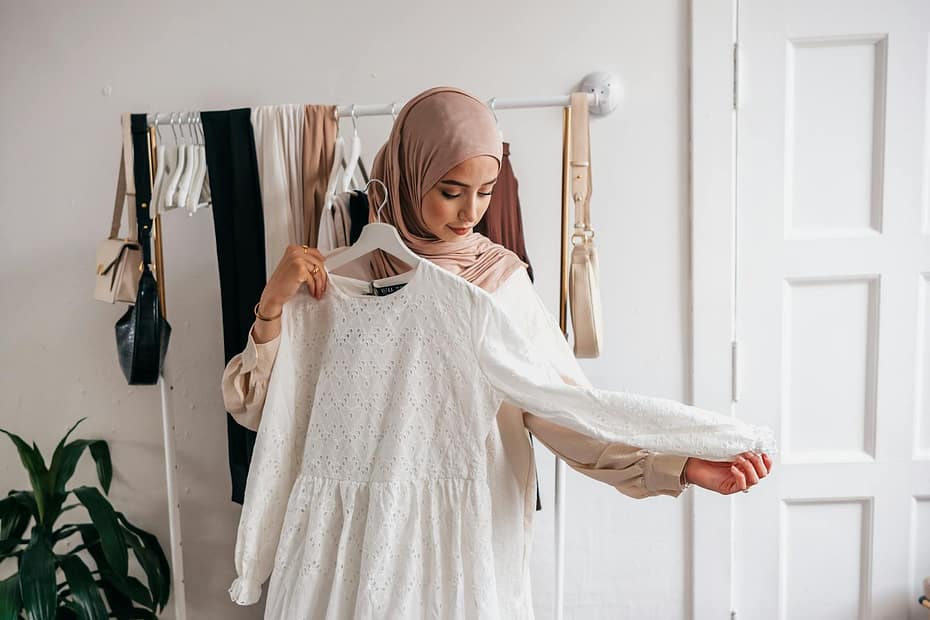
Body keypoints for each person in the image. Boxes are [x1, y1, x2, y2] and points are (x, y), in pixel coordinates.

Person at [222, 86, 772, 617]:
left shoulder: (495, 284)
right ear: (408, 175)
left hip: (459, 540)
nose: (470, 214)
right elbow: (264, 413)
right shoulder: (330, 281)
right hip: (347, 547)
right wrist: (272, 307)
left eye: (485, 192)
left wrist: (674, 465)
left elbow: (563, 410)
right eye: (451, 191)